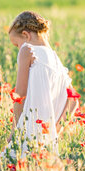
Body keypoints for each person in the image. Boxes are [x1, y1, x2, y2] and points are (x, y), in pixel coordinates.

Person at [6, 10, 75, 158]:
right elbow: (73, 101)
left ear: (26, 35)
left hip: (28, 132)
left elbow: (20, 95)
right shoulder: (56, 60)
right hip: (47, 141)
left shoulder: (28, 50)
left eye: (16, 44)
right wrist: (55, 131)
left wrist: (16, 131)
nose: (18, 48)